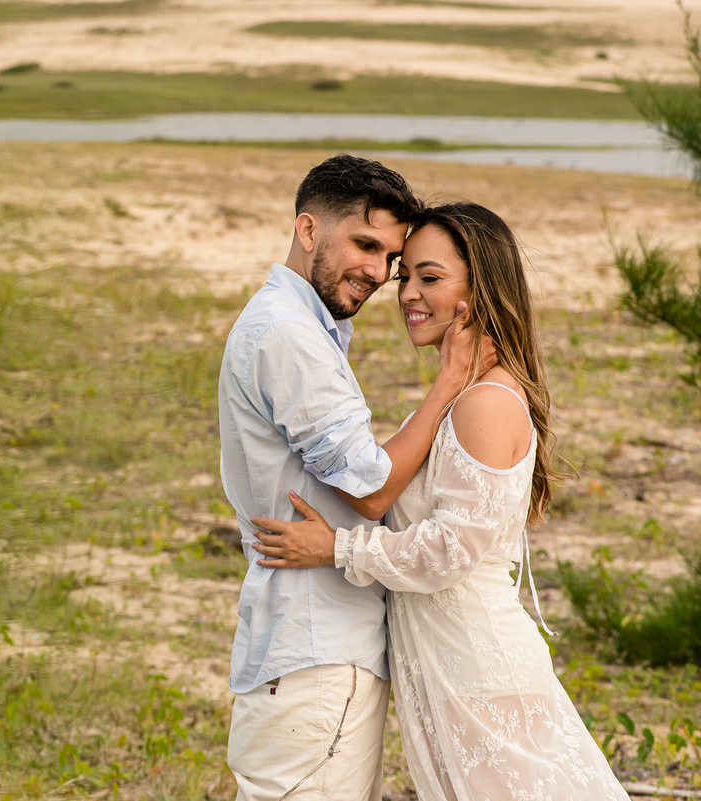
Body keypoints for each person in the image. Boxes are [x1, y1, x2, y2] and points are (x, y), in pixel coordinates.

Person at [249, 203, 629, 800]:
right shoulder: (461, 395)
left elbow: (451, 550)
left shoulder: (486, 403)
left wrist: (336, 547)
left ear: (477, 291)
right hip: (446, 666)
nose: (407, 295)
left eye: (430, 278)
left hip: (478, 667)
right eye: (407, 278)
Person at [219, 157, 494, 801]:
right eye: (364, 244)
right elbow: (370, 490)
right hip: (318, 648)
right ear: (308, 229)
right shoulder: (288, 335)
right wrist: (449, 382)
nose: (378, 273)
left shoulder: (301, 328)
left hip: (311, 646)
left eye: (390, 258)